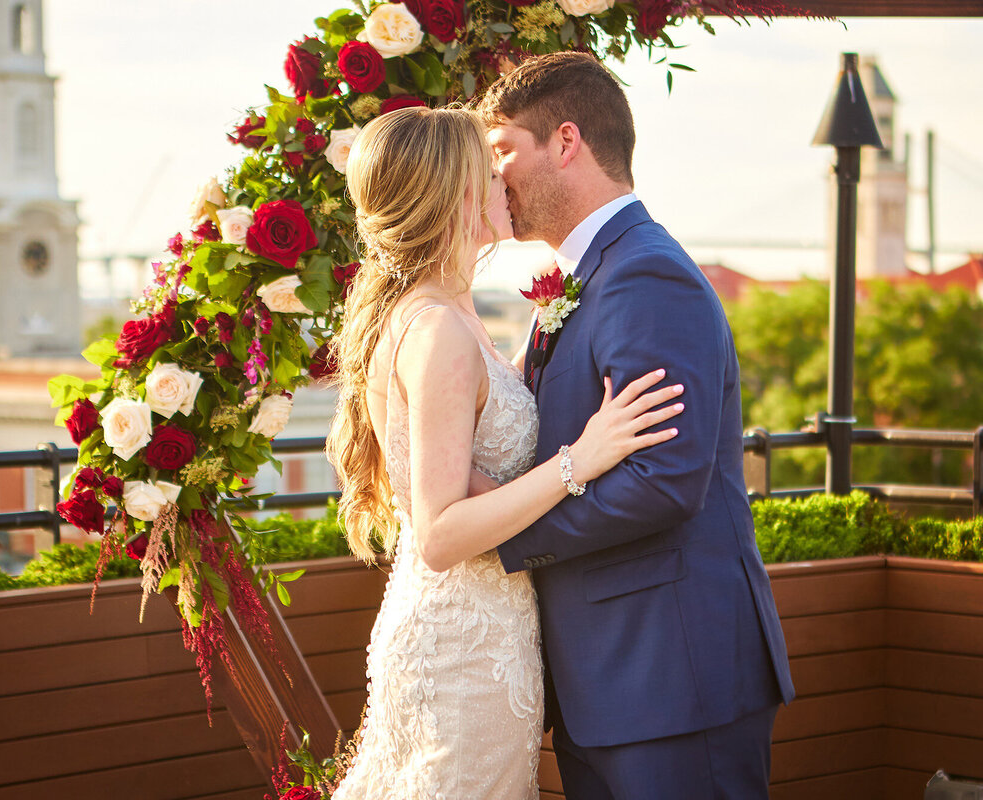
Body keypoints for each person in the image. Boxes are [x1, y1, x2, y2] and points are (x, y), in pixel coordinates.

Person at [325, 105, 684, 799]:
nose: (504, 185)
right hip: (465, 648)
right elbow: (438, 532)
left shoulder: (448, 312)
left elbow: (473, 466)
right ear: (456, 193)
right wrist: (581, 458)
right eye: (488, 173)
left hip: (479, 630)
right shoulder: (439, 332)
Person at [476, 51, 796, 799]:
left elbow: (663, 481)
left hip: (674, 678)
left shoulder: (646, 275)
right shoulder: (592, 276)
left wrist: (498, 535)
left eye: (503, 154)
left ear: (565, 141)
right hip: (610, 687)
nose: (494, 182)